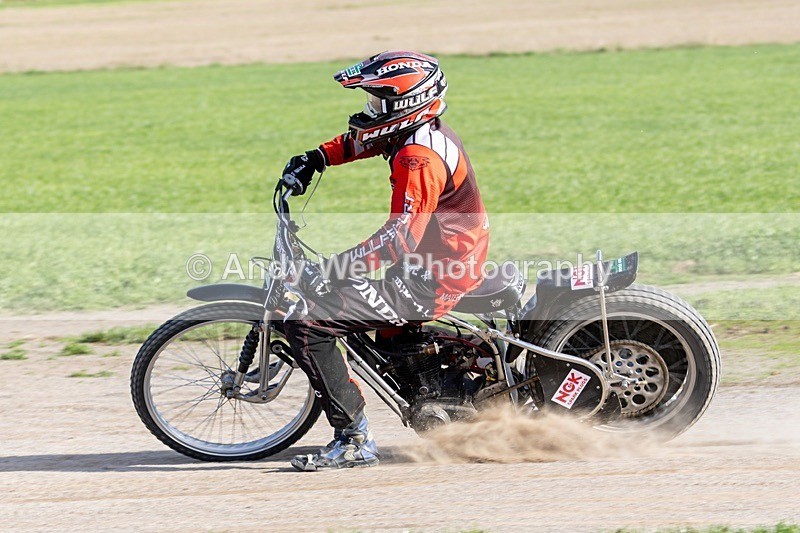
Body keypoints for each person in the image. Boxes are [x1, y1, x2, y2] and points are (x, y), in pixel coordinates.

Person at [281, 51, 490, 471]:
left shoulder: (419, 158)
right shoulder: (414, 132)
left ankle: (354, 441)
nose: (369, 111)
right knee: (372, 326)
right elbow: (367, 138)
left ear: (405, 105)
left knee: (307, 321)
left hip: (434, 276)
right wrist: (318, 157)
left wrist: (332, 271)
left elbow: (397, 240)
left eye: (378, 103)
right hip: (434, 261)